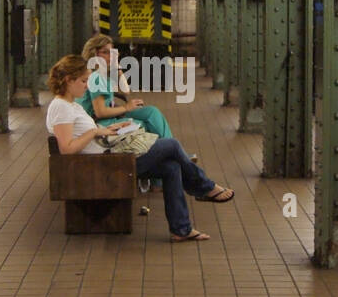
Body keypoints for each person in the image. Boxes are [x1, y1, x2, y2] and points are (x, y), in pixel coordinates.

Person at [46, 55, 233, 242]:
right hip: (106, 164)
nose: (87, 85)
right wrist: (94, 132)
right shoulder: (61, 108)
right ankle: (204, 188)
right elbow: (67, 149)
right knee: (172, 145)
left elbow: (81, 135)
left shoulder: (69, 105)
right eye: (83, 81)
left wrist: (106, 130)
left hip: (107, 157)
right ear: (68, 81)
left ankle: (181, 229)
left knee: (171, 168)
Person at [79, 33, 174, 141]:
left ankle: (169, 147)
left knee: (151, 112)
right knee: (142, 124)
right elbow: (100, 112)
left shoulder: (101, 73)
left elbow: (125, 91)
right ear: (94, 54)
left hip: (108, 115)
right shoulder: (95, 76)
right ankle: (169, 148)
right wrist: (126, 108)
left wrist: (117, 66)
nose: (110, 56)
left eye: (112, 52)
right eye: (105, 52)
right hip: (98, 122)